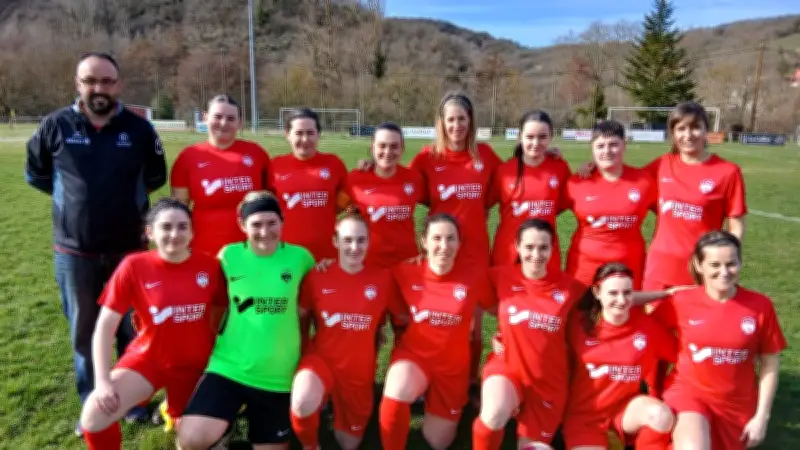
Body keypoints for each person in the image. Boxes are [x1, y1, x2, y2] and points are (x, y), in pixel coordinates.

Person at [24, 51, 167, 433]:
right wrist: (75, 206)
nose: (98, 88)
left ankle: (134, 402)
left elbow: (155, 177)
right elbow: (36, 175)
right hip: (75, 252)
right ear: (77, 84)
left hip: (130, 252)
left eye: (106, 81)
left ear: (118, 85)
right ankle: (94, 403)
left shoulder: (139, 130)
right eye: (90, 80)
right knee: (84, 330)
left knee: (132, 329)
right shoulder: (54, 125)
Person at [77, 198, 225, 449]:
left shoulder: (210, 267)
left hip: (196, 364)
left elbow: (220, 314)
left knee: (194, 441)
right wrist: (102, 382)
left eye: (182, 226)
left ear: (192, 231)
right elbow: (104, 328)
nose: (174, 234)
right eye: (165, 227)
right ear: (150, 233)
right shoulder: (134, 266)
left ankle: (185, 415)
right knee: (94, 415)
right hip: (148, 359)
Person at [177, 191, 316, 450]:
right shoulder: (229, 256)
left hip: (278, 374)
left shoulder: (301, 258)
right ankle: (224, 427)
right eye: (256, 224)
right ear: (242, 225)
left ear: (283, 221)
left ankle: (233, 419)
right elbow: (211, 297)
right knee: (190, 441)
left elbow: (318, 299)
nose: (265, 232)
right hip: (229, 366)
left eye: (272, 223)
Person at [649, 231, 786, 450]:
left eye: (731, 264)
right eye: (714, 265)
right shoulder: (680, 302)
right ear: (699, 265)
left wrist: (762, 416)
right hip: (688, 392)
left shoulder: (760, 306)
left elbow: (770, 362)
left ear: (740, 263)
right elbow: (642, 331)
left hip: (737, 405)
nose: (724, 272)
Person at [407, 91, 502, 401]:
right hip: (440, 255)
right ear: (441, 123)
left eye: (462, 118)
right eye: (451, 119)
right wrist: (369, 164)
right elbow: (401, 184)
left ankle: (469, 382)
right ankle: (427, 378)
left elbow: (514, 176)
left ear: (471, 121)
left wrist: (550, 153)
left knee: (472, 326)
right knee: (437, 321)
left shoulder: (484, 156)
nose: (457, 125)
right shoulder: (427, 158)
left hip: (473, 254)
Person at [379, 213, 496, 450]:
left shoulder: (474, 276)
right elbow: (371, 288)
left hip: (452, 369)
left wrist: (504, 334)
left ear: (459, 243)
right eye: (437, 238)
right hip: (415, 357)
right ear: (424, 241)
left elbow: (498, 308)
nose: (444, 246)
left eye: (451, 239)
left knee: (437, 443)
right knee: (395, 393)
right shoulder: (404, 271)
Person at [472, 219, 584, 450]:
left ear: (553, 248)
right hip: (507, 366)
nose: (536, 254)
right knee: (492, 415)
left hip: (548, 382)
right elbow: (460, 282)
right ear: (518, 247)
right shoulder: (499, 276)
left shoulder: (570, 288)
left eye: (543, 248)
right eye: (529, 247)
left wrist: (662, 294)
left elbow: (613, 298)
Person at [291, 208, 398, 450]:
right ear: (335, 242)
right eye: (347, 240)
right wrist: (302, 353)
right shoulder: (317, 276)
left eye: (361, 240)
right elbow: (302, 317)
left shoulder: (383, 279)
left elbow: (396, 320)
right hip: (322, 361)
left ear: (369, 242)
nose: (354, 247)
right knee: (301, 401)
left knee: (348, 444)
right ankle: (311, 445)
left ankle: (329, 407)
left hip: (358, 372)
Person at [562, 262, 678, 450]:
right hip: (584, 418)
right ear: (597, 293)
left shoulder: (648, 328)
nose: (621, 300)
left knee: (660, 415)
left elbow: (684, 359)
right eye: (613, 293)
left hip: (625, 411)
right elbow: (543, 341)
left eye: (627, 292)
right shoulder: (577, 325)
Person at [642, 102, 748, 292]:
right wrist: (594, 166)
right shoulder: (661, 165)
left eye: (695, 127)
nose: (688, 135)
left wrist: (726, 260)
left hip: (701, 267)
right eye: (680, 128)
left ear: (706, 129)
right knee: (653, 321)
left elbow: (736, 225)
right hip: (660, 267)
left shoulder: (728, 172)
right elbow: (625, 182)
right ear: (673, 133)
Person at [170, 94, 273, 257]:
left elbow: (271, 203)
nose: (224, 123)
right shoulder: (189, 157)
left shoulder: (256, 154)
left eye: (231, 118)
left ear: (239, 122)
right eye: (218, 117)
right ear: (205, 117)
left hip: (250, 249)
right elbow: (178, 211)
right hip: (203, 249)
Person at [564, 120, 656, 290]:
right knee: (582, 316)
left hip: (629, 270)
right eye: (600, 146)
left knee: (626, 315)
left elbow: (668, 216)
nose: (606, 151)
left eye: (613, 144)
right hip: (584, 272)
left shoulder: (644, 181)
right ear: (592, 148)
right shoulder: (576, 182)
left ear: (624, 145)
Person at [488, 110, 571, 272]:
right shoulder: (505, 171)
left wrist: (591, 167)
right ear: (520, 137)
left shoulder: (560, 168)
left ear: (551, 137)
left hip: (545, 253)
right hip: (508, 254)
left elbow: (562, 205)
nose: (536, 143)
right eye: (530, 137)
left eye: (542, 137)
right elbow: (484, 204)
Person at [340, 122, 424, 268]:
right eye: (382, 145)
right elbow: (334, 210)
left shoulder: (414, 178)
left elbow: (436, 206)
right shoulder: (355, 180)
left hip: (407, 264)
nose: (387, 151)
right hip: (369, 264)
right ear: (372, 148)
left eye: (394, 146)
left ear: (402, 149)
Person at [270, 108, 348, 261]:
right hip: (286, 255)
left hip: (327, 256)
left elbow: (347, 204)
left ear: (318, 134)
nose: (305, 139)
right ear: (287, 135)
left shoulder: (334, 164)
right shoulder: (274, 166)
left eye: (310, 133)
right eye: (299, 133)